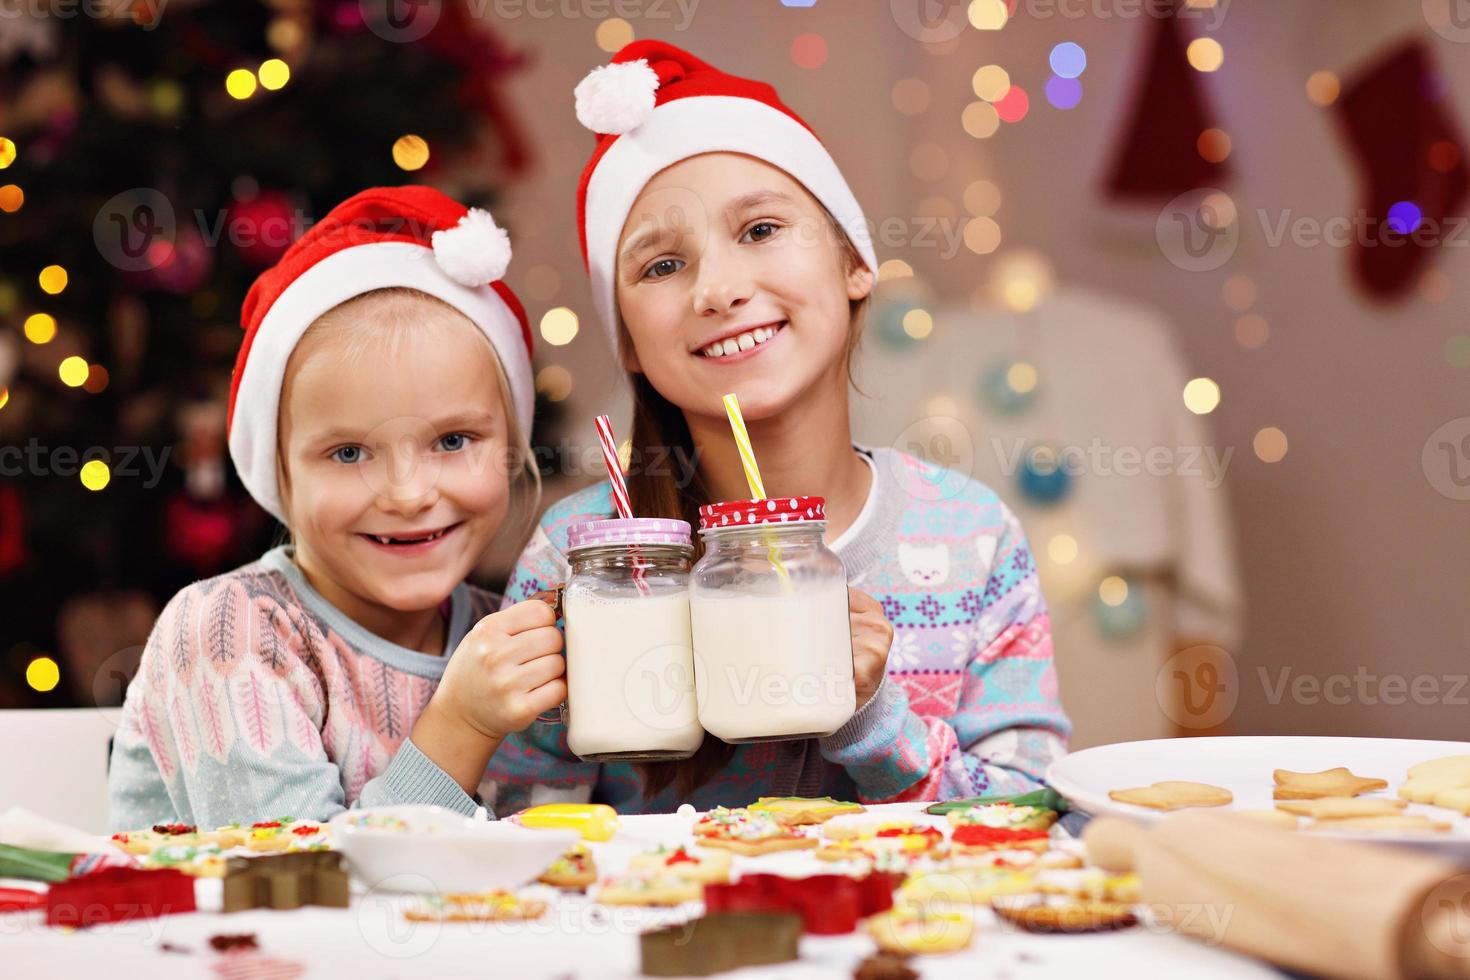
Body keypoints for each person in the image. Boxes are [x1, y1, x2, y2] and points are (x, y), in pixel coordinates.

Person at [485, 41, 1070, 815]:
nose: (720, 290)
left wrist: (871, 715)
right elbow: (523, 826)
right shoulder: (579, 559)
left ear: (855, 262)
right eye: (661, 266)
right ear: (627, 340)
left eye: (760, 230)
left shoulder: (971, 534)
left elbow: (1032, 819)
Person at [108, 186, 564, 829]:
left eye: (453, 441)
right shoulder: (229, 633)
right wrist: (461, 725)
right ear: (279, 471)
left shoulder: (515, 631)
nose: (408, 494)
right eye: (349, 453)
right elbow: (295, 886)